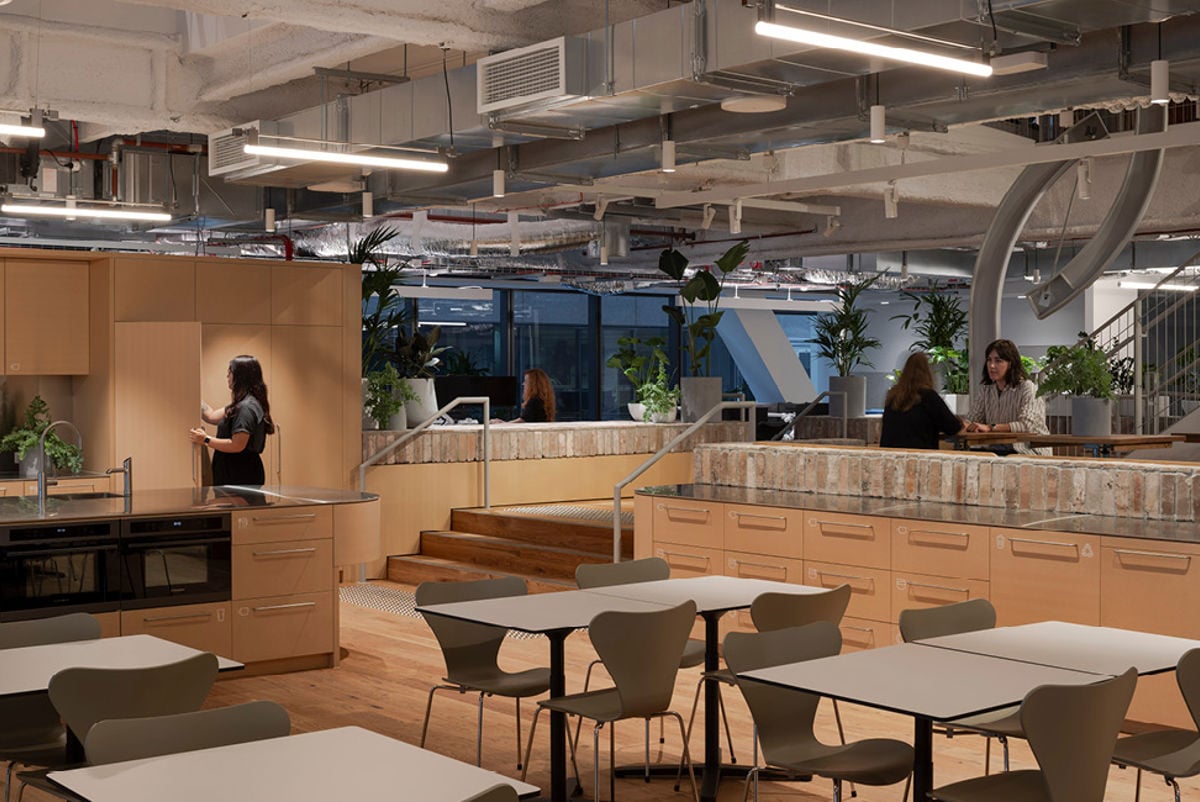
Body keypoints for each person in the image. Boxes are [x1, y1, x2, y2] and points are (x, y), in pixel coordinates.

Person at [189, 355, 275, 485]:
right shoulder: (241, 404)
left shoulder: (246, 408)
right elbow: (211, 415)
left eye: (230, 373)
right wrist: (192, 394)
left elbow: (237, 445)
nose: (227, 377)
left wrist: (206, 439)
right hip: (235, 471)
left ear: (240, 377)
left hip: (240, 473)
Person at [962, 338, 1050, 455]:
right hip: (998, 449)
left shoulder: (1027, 388)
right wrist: (964, 424)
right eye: (989, 360)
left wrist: (991, 427)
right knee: (967, 456)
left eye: (998, 361)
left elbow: (1026, 425)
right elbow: (972, 420)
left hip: (1028, 450)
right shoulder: (986, 390)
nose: (992, 366)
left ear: (1010, 364)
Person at [879, 352, 963, 449]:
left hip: (891, 458)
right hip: (920, 458)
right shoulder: (928, 396)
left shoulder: (892, 397)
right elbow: (952, 427)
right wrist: (960, 422)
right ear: (928, 373)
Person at [491, 368, 556, 423]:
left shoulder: (534, 401)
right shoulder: (542, 400)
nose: (523, 384)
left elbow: (523, 420)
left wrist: (503, 424)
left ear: (533, 385)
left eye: (526, 381)